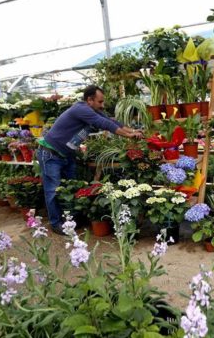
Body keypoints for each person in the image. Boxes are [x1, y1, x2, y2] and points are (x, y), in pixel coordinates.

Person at [37, 85, 143, 234]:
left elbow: (112, 121)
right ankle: (56, 223)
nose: (102, 105)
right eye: (100, 102)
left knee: (73, 188)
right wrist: (128, 136)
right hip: (51, 154)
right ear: (89, 100)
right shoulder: (81, 109)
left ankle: (71, 220)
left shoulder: (93, 110)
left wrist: (133, 131)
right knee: (52, 190)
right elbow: (104, 124)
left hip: (68, 154)